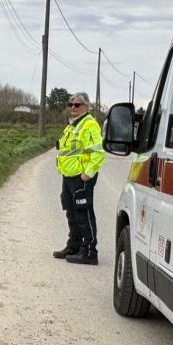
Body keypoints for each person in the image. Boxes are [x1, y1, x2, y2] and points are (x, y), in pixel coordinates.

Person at [54, 92, 105, 265]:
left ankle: (90, 252)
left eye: (77, 105)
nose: (73, 108)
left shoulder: (89, 124)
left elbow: (98, 152)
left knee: (83, 213)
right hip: (68, 175)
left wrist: (88, 174)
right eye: (71, 105)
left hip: (81, 177)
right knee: (71, 211)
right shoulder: (73, 125)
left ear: (86, 107)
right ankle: (74, 245)